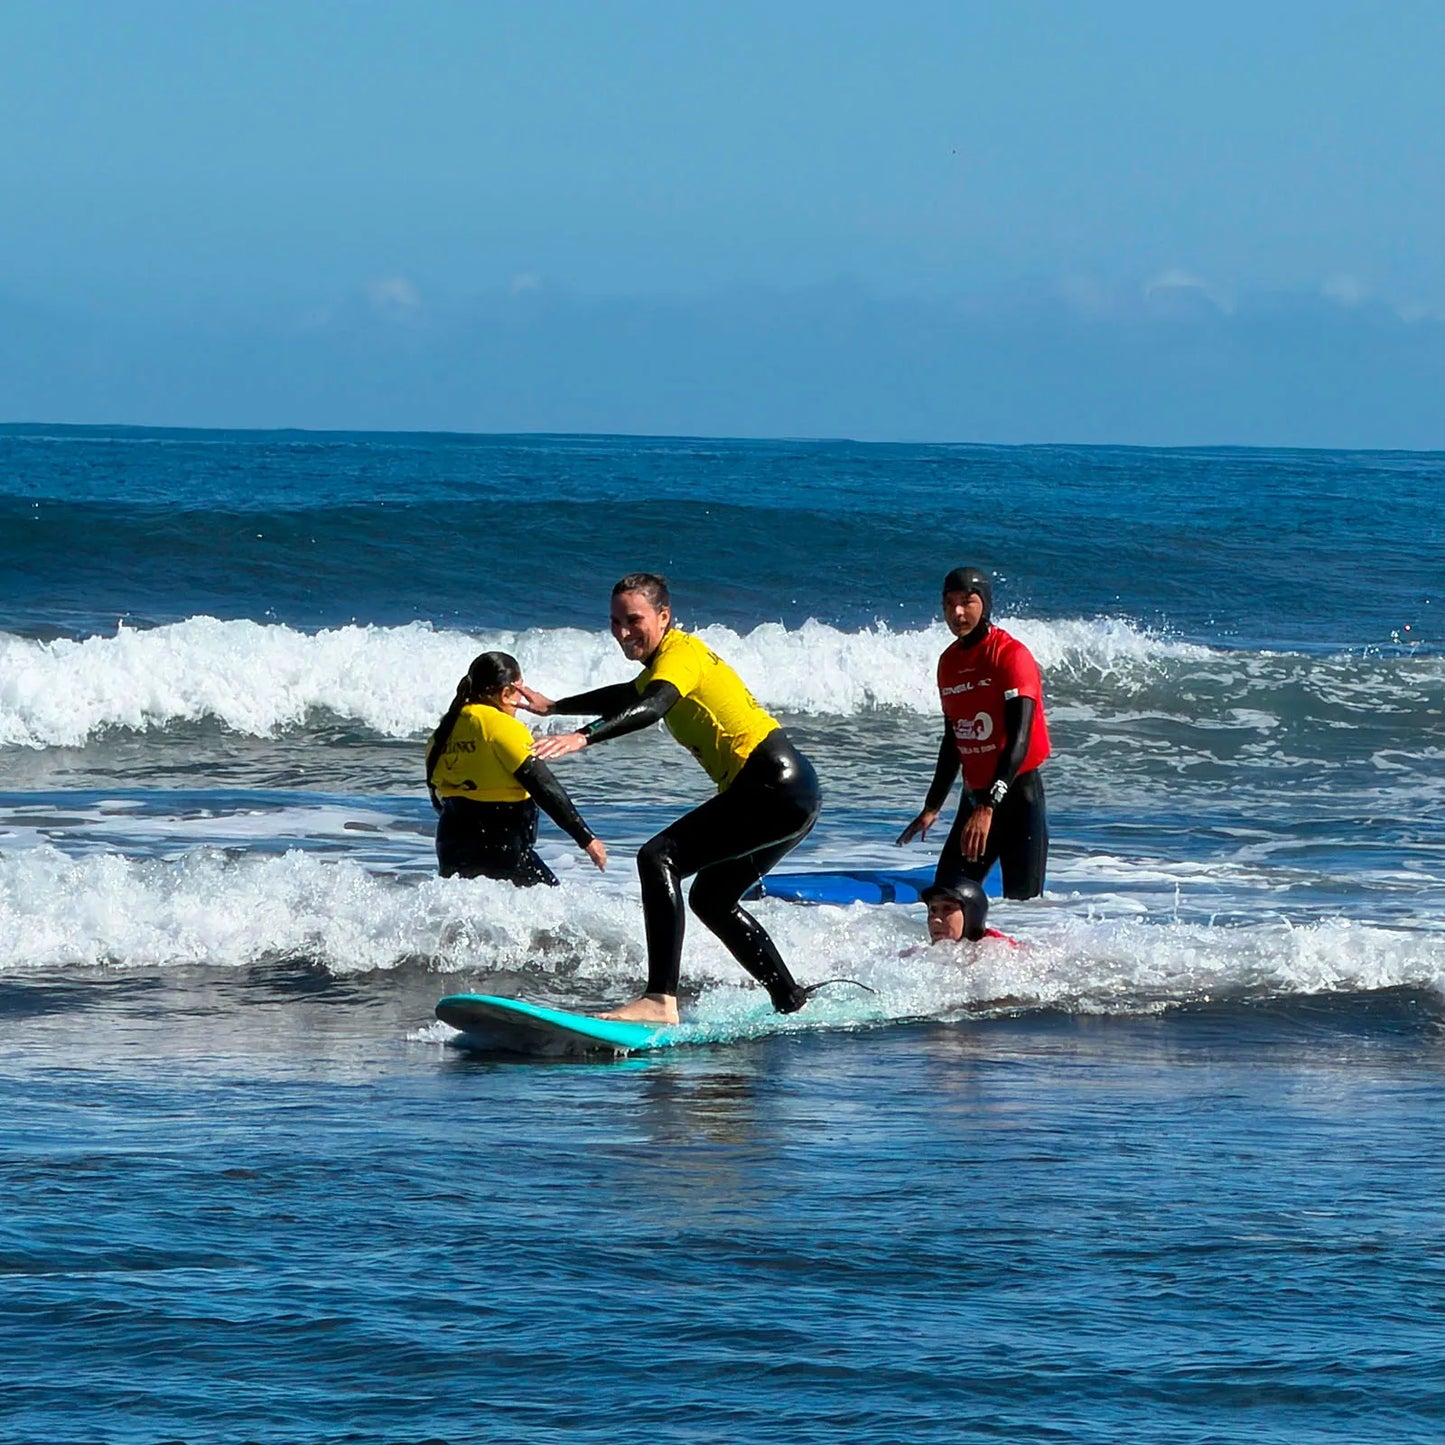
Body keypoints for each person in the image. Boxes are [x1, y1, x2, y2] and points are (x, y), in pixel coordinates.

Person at [519, 573, 821, 1024]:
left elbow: (653, 704)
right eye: (615, 622)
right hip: (794, 791)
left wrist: (583, 737)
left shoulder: (680, 656)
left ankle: (659, 999)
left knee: (657, 857)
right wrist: (554, 706)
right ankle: (788, 997)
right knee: (712, 899)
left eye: (634, 620)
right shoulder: (668, 664)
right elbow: (630, 694)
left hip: (770, 784)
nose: (623, 632)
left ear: (664, 616)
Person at [897, 566, 1051, 899]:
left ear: (985, 604)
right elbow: (954, 739)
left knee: (1023, 910)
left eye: (967, 602)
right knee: (946, 899)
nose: (957, 613)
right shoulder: (948, 663)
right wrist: (932, 806)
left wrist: (988, 807)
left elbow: (1019, 738)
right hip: (975, 798)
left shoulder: (1011, 656)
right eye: (949, 603)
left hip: (1017, 799)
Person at [427, 651, 606, 886]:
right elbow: (544, 787)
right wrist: (587, 839)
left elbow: (436, 795)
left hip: (450, 842)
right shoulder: (502, 728)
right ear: (506, 693)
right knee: (551, 912)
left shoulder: (442, 732)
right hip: (501, 845)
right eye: (520, 691)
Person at [919, 880, 1015, 946]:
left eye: (947, 908)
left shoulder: (998, 951)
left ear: (970, 915)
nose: (935, 919)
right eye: (933, 910)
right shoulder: (921, 955)